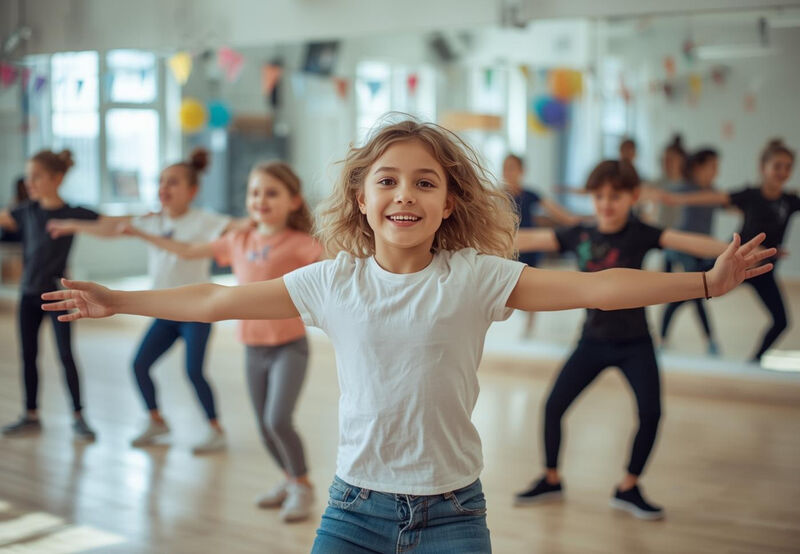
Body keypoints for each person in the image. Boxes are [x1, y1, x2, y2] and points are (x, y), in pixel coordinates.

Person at [41, 118, 774, 551]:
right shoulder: (334, 280)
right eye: (387, 180)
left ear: (449, 201)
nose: (405, 194)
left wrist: (706, 283)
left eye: (425, 182)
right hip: (352, 510)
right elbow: (215, 298)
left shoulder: (477, 275)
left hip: (455, 513)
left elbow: (597, 286)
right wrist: (121, 299)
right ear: (361, 200)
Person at [513, 160, 743, 520]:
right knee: (553, 407)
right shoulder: (579, 232)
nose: (606, 203)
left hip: (636, 342)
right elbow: (528, 238)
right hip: (591, 341)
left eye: (615, 196)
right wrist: (470, 236)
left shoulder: (640, 232)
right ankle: (551, 478)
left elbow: (686, 240)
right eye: (599, 195)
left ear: (633, 196)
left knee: (651, 413)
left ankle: (629, 486)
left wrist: (732, 251)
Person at [123, 161, 322, 521]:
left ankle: (304, 486)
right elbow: (185, 252)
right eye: (255, 192)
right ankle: (290, 479)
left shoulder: (301, 243)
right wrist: (142, 233)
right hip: (253, 347)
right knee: (264, 426)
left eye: (271, 192)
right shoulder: (237, 240)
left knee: (278, 420)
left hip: (289, 346)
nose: (261, 199)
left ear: (294, 201)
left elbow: (337, 265)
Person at [47, 148, 241, 453]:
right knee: (139, 364)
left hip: (196, 312)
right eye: (161, 182)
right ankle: (156, 420)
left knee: (193, 371)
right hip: (164, 311)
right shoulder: (151, 220)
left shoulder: (205, 220)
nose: (164, 188)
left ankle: (215, 429)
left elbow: (239, 227)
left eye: (173, 183)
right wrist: (72, 225)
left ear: (193, 190)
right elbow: (110, 229)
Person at [662, 139, 798, 362]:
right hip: (733, 263)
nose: (782, 171)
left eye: (788, 167)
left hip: (763, 271)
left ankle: (754, 360)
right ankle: (662, 336)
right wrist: (677, 198)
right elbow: (714, 197)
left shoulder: (790, 201)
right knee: (689, 291)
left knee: (781, 321)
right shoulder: (751, 195)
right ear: (763, 167)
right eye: (777, 166)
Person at [0, 150, 97, 440]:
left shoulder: (74, 213)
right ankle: (31, 416)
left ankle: (79, 416)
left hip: (59, 296)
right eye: (28, 176)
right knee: (28, 355)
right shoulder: (25, 211)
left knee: (66, 355)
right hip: (29, 295)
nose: (30, 182)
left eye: (37, 176)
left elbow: (110, 222)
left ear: (57, 178)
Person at [502, 154, 580, 338]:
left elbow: (559, 213)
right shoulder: (498, 195)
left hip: (531, 246)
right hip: (509, 247)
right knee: (509, 286)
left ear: (521, 171)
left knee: (529, 286)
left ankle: (529, 324)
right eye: (505, 167)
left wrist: (580, 222)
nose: (508, 172)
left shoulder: (530, 195)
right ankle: (521, 316)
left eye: (512, 167)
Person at [660, 148, 721, 355]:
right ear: (697, 168)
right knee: (695, 293)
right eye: (712, 166)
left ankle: (662, 336)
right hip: (680, 248)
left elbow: (734, 203)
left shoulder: (713, 192)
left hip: (701, 250)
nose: (716, 171)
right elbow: (663, 196)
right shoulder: (685, 189)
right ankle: (710, 340)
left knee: (688, 295)